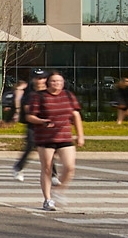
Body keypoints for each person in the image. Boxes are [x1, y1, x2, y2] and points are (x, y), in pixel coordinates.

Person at [24, 71, 84, 211]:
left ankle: (59, 191)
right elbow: (29, 117)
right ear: (48, 83)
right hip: (45, 137)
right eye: (53, 81)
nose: (57, 84)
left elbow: (75, 115)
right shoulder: (39, 97)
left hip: (65, 136)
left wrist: (80, 135)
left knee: (70, 167)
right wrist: (42, 121)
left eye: (59, 81)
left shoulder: (68, 96)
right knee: (47, 169)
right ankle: (47, 199)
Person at [11, 71, 44, 181]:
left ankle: (53, 174)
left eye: (42, 78)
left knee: (48, 148)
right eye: (37, 78)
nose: (39, 81)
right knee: (30, 145)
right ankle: (18, 167)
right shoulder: (29, 91)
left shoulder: (48, 90)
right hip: (32, 123)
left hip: (45, 123)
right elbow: (26, 107)